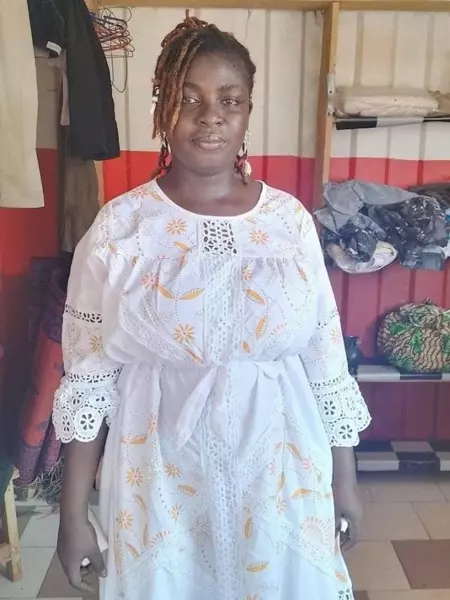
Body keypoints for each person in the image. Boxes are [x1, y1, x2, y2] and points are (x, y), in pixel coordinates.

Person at [53, 16, 371, 600]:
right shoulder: (121, 228)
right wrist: (72, 515)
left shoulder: (288, 223)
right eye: (189, 98)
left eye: (230, 100)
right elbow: (88, 379)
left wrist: (344, 480)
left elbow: (325, 360)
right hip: (156, 475)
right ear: (162, 108)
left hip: (281, 471)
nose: (210, 117)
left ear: (247, 112)